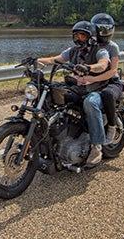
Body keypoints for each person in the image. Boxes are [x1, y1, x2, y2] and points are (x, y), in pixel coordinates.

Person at [37, 20, 111, 167]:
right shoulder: (72, 51)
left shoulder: (100, 50)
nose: (78, 39)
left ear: (90, 37)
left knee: (90, 103)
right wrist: (36, 60)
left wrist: (89, 68)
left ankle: (97, 147)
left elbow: (103, 63)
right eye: (76, 35)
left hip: (96, 89)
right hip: (78, 87)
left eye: (82, 35)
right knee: (52, 96)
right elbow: (54, 59)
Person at [90, 13, 124, 155]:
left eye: (107, 29)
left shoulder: (112, 47)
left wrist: (91, 79)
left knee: (107, 94)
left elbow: (112, 71)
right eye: (101, 29)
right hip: (93, 78)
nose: (104, 33)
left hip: (110, 81)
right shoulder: (91, 44)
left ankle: (111, 126)